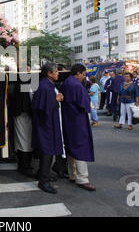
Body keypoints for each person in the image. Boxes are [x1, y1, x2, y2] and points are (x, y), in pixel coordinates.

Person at [31, 62, 66, 194]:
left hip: (50, 123)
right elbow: (41, 107)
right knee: (47, 152)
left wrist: (57, 98)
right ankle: (43, 181)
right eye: (56, 71)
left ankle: (44, 174)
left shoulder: (48, 84)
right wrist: (56, 100)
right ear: (49, 73)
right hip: (46, 125)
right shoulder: (45, 87)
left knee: (49, 151)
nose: (58, 73)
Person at [60, 64, 96, 192]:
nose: (84, 77)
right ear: (79, 73)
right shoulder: (76, 85)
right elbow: (85, 104)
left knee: (70, 146)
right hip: (77, 119)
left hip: (67, 119)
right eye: (83, 74)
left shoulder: (66, 83)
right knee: (81, 147)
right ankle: (82, 178)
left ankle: (72, 174)